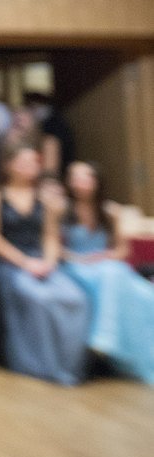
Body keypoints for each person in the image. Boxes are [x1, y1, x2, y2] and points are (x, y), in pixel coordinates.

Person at [0, 145, 91, 385]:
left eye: (34, 162)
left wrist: (48, 263)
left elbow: (50, 236)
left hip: (41, 261)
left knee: (75, 298)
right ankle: (38, 365)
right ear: (8, 165)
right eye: (24, 161)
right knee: (38, 298)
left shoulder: (45, 198)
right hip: (7, 262)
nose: (31, 166)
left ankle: (69, 365)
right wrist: (26, 263)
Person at [59, 161, 154, 384]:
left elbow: (122, 250)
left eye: (86, 177)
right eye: (76, 177)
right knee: (111, 274)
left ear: (97, 181)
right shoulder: (61, 210)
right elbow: (54, 247)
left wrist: (103, 256)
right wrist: (77, 258)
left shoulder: (111, 211)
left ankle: (134, 355)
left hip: (104, 264)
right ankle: (105, 337)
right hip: (75, 265)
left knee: (146, 294)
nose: (81, 182)